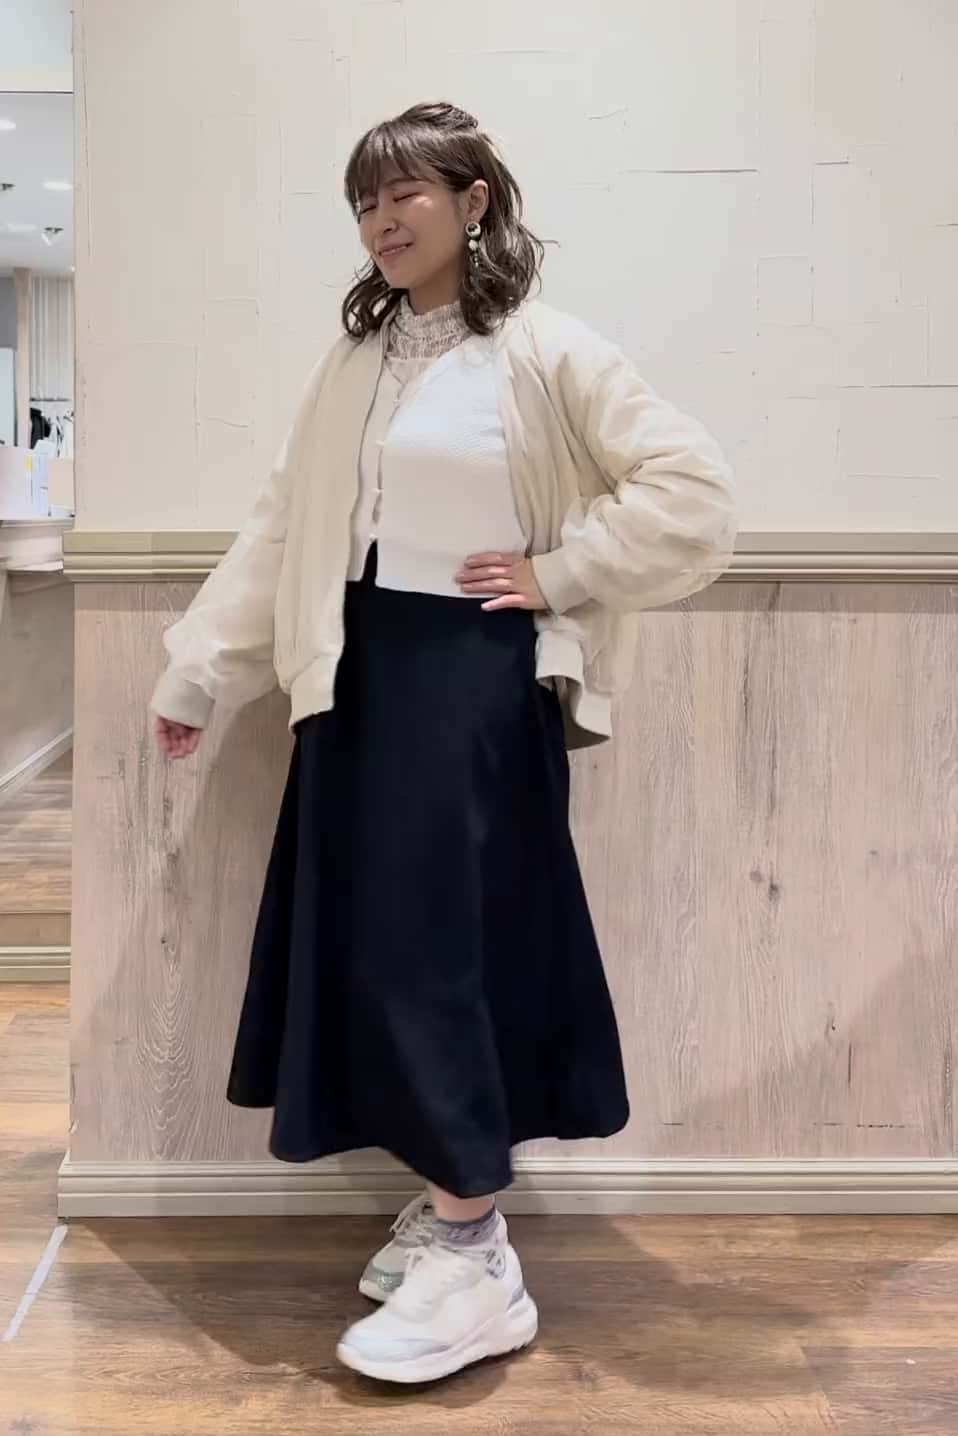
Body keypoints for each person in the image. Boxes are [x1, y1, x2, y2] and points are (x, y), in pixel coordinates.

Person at [150, 100, 738, 1385]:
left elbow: (693, 494)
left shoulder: (543, 350)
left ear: (474, 202)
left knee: (444, 952)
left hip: (469, 681)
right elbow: (284, 525)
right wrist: (200, 671)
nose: (381, 218)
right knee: (372, 949)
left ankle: (475, 1253)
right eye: (364, 200)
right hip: (353, 674)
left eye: (405, 191)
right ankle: (448, 1203)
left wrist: (557, 571)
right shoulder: (354, 362)